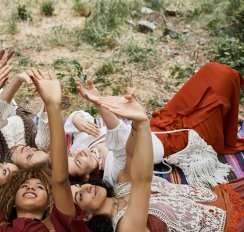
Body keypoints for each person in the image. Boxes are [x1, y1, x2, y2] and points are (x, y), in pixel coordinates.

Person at [71, 92, 244, 232]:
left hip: (228, 193)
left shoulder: (121, 184)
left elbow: (130, 154)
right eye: (79, 195)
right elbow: (142, 182)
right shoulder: (126, 230)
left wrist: (133, 122)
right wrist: (143, 123)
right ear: (86, 215)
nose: (86, 187)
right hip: (234, 229)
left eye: (81, 184)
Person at [0, 68, 105, 232]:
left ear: (50, 203)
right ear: (12, 201)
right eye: (24, 186)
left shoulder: (59, 228)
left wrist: (53, 104)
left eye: (39, 187)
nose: (30, 187)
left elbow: (60, 179)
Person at [67, 62, 244, 188]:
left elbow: (75, 118)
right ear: (85, 178)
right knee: (225, 80)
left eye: (72, 154)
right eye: (78, 161)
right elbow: (121, 140)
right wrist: (100, 105)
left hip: (160, 122)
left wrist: (76, 119)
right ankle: (223, 126)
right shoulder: (112, 174)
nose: (79, 153)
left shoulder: (81, 144)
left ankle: (223, 121)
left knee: (212, 71)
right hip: (179, 140)